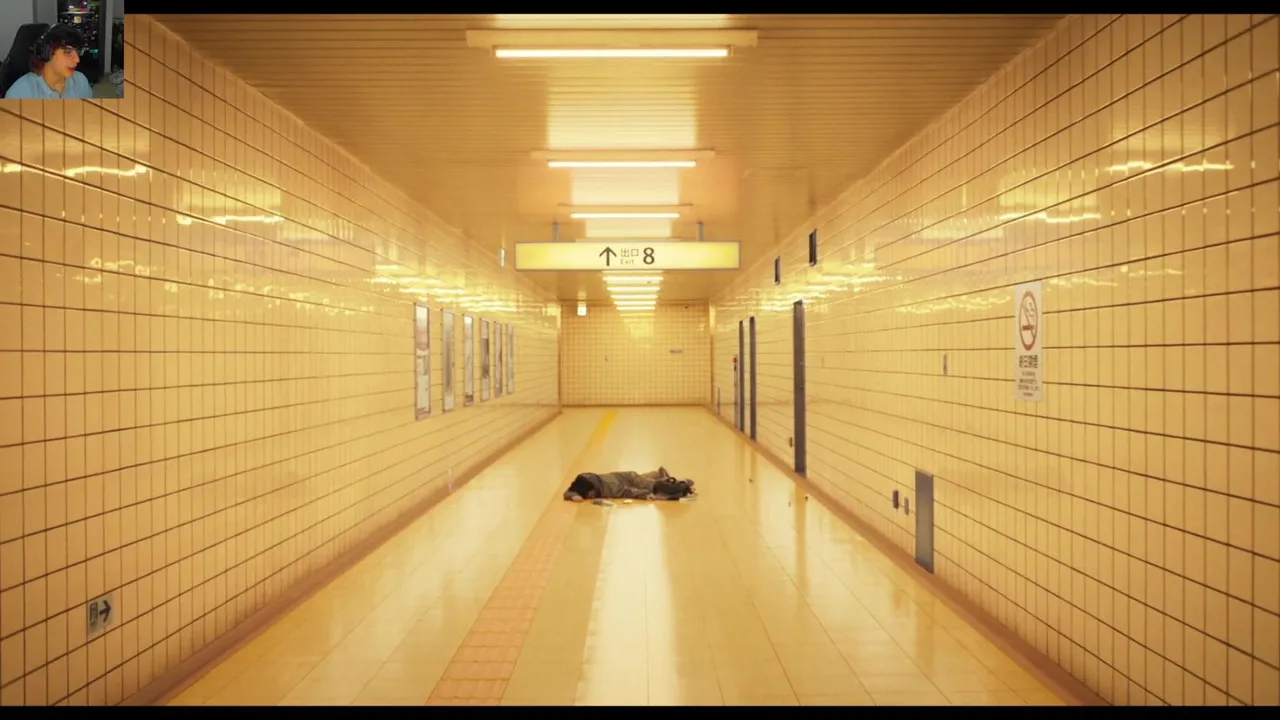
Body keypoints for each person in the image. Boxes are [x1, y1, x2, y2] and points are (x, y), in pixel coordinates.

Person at [5, 25, 94, 100]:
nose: (77, 59)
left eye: (77, 52)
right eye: (68, 52)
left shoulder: (80, 81)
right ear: (47, 53)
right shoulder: (19, 93)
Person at [564, 467, 696, 502]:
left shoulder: (609, 487)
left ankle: (682, 482)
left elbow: (626, 491)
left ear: (593, 488)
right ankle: (657, 473)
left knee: (652, 487)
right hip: (623, 477)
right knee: (644, 479)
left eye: (589, 494)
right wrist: (573, 496)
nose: (590, 497)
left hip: (630, 479)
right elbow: (570, 491)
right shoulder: (584, 481)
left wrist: (645, 495)